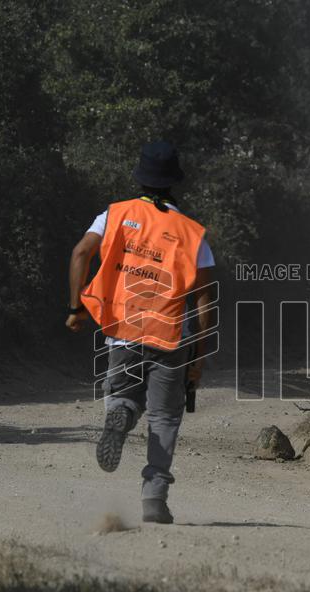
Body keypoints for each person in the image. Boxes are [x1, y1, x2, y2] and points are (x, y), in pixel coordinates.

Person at [66, 140, 216, 525]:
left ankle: (121, 414)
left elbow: (81, 253)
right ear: (173, 182)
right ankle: (154, 498)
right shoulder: (192, 234)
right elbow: (204, 303)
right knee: (165, 417)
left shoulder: (114, 215)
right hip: (171, 336)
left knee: (123, 397)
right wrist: (198, 360)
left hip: (124, 329)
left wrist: (76, 307)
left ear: (141, 177)